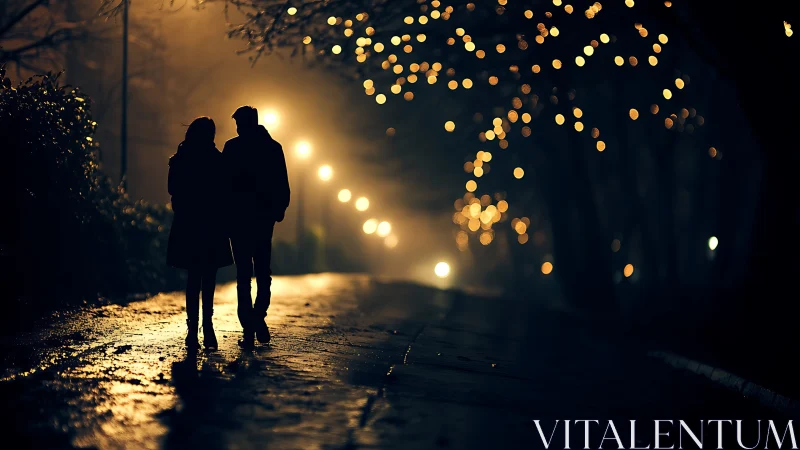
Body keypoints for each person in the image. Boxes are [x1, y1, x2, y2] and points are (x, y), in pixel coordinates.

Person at [223, 106, 290, 348]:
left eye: (239, 124)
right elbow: (282, 182)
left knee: (244, 274)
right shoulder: (273, 148)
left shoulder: (232, 148)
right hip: (263, 219)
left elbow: (223, 184)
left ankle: (248, 327)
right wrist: (278, 210)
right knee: (262, 270)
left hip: (239, 220)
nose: (238, 129)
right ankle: (258, 316)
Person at [167, 117, 233, 350]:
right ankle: (208, 328)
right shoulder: (218, 159)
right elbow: (226, 192)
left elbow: (172, 189)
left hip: (188, 224)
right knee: (209, 278)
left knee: (193, 278)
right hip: (212, 224)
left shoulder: (181, 158)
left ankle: (192, 330)